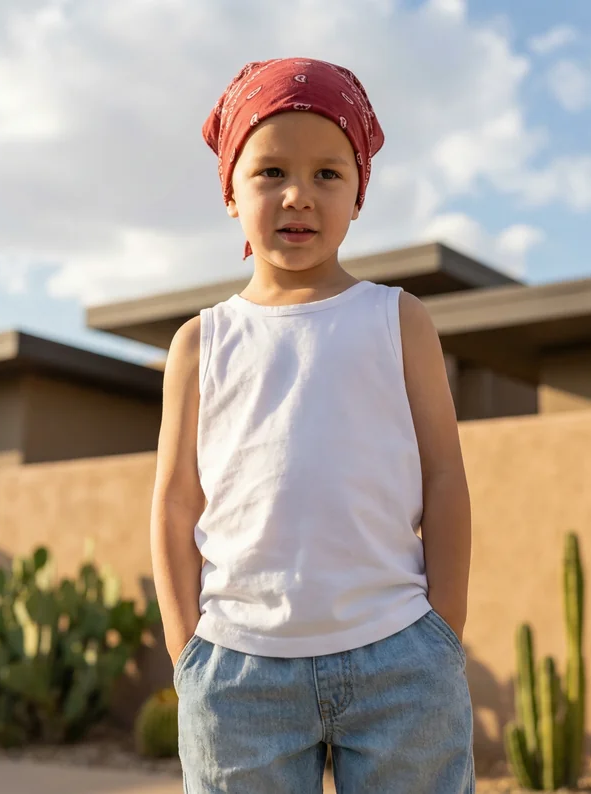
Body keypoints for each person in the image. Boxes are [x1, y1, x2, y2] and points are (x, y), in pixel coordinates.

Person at [150, 57, 474, 794]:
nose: (299, 194)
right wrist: (187, 650)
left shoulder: (400, 320)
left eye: (328, 173)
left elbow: (445, 475)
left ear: (359, 192)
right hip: (236, 675)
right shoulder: (200, 342)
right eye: (270, 172)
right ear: (230, 189)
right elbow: (174, 503)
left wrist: (442, 629)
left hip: (400, 662)